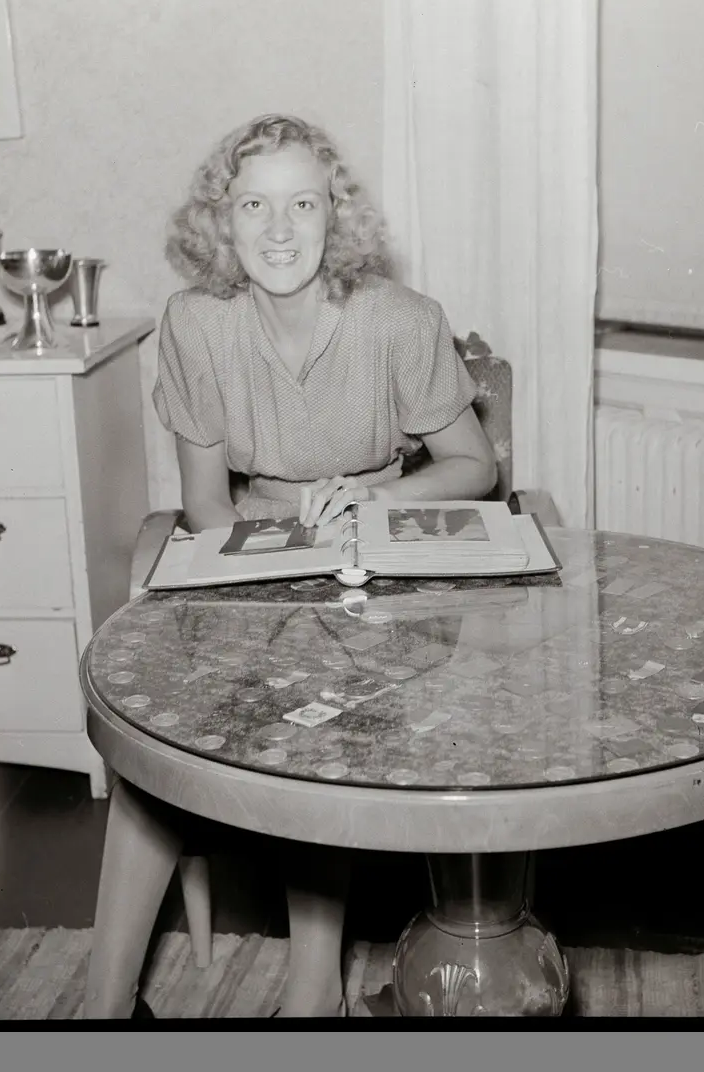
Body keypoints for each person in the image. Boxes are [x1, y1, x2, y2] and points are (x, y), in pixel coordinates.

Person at [153, 114, 496, 1017]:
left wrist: (373, 505)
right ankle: (115, 1003)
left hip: (385, 549)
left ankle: (315, 989)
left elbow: (474, 466)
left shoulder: (401, 319)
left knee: (332, 701)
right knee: (211, 700)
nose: (278, 230)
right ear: (220, 222)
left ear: (334, 216)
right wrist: (277, 569)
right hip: (259, 552)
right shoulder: (195, 323)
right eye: (253, 205)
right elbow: (205, 505)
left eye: (303, 204)